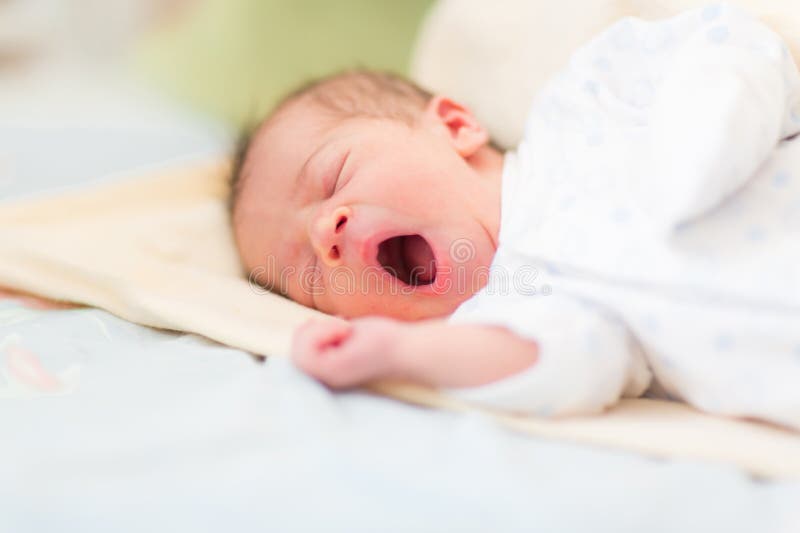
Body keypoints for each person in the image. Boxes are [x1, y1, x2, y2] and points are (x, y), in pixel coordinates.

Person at [231, 4, 800, 428]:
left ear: (454, 125)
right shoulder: (510, 312)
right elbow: (579, 363)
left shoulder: (579, 112)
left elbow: (734, 42)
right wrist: (399, 353)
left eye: (335, 176)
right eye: (310, 279)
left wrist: (702, 145)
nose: (323, 234)